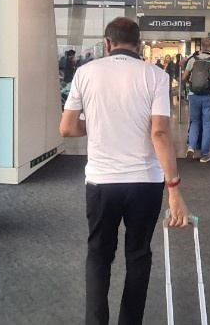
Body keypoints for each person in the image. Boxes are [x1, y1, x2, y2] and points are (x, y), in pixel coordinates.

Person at [59, 17, 191, 325]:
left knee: (99, 255)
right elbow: (159, 132)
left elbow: (67, 128)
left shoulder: (85, 72)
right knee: (138, 255)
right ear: (139, 44)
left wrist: (97, 125)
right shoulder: (155, 75)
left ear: (107, 42)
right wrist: (174, 190)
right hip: (145, 183)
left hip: (101, 182)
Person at [181, 37, 210, 162]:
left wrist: (190, 83)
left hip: (194, 94)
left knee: (194, 122)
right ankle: (205, 154)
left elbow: (184, 77)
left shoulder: (193, 60)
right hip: (209, 96)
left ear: (201, 47)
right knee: (207, 124)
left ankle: (191, 147)